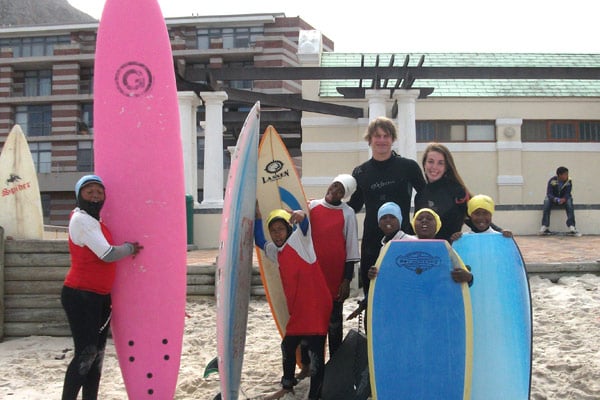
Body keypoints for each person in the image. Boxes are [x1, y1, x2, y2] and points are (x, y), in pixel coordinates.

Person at [61, 175, 143, 400]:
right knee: (85, 354)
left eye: (99, 191)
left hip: (100, 296)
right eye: (89, 191)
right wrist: (129, 248)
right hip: (80, 295)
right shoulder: (81, 220)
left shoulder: (95, 221)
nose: (95, 195)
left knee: (97, 355)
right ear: (79, 195)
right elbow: (107, 254)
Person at [254, 206, 332, 400]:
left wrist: (301, 215)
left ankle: (315, 395)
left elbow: (304, 225)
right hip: (299, 310)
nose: (277, 234)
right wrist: (257, 218)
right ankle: (287, 386)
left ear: (288, 229)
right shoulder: (276, 251)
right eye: (273, 230)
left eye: (281, 229)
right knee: (288, 346)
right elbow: (259, 241)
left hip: (316, 306)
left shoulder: (301, 241)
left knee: (316, 354)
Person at [347, 116, 426, 299]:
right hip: (372, 241)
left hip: (403, 237)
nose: (382, 140)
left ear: (393, 139)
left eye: (386, 136)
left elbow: (425, 195)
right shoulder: (361, 172)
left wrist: (422, 225)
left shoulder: (408, 167)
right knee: (373, 293)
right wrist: (325, 207)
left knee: (406, 290)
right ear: (370, 140)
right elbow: (354, 206)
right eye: (377, 136)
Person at [296, 174, 359, 378]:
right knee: (309, 322)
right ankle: (307, 365)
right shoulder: (312, 206)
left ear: (345, 195)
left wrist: (346, 280)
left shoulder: (348, 213)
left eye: (341, 190)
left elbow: (350, 249)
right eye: (335, 186)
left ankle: (335, 365)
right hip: (312, 276)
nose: (335, 191)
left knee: (334, 324)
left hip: (335, 278)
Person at [347, 202, 416, 320]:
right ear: (379, 223)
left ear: (399, 220)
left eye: (392, 217)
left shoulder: (411, 242)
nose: (388, 220)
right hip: (390, 304)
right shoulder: (384, 246)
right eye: (383, 218)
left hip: (408, 304)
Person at [539, 166, 580, 236]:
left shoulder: (569, 181)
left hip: (564, 199)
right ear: (560, 175)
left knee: (569, 202)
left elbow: (568, 192)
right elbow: (549, 193)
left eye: (567, 174)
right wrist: (555, 199)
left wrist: (564, 199)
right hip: (554, 199)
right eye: (565, 174)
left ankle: (572, 226)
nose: (567, 176)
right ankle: (544, 226)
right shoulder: (552, 181)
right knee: (546, 201)